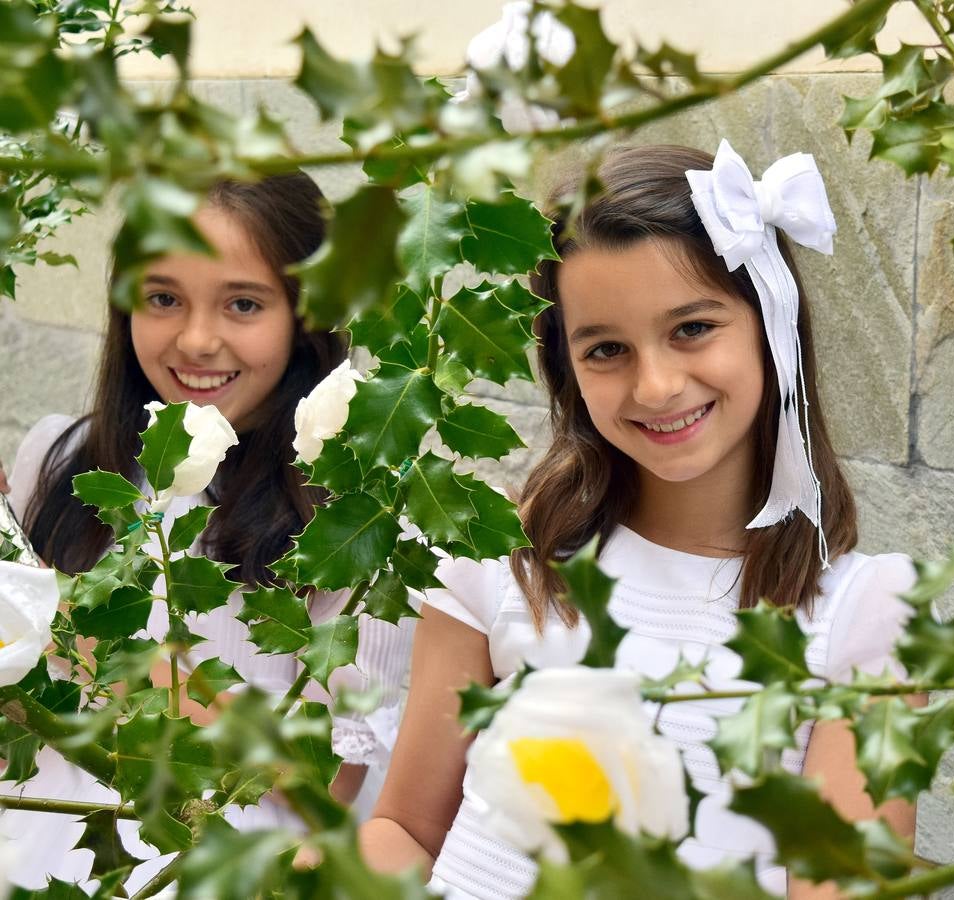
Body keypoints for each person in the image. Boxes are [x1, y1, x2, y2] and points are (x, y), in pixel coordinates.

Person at [358, 142, 920, 898]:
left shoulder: (865, 616)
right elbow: (405, 830)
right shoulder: (499, 559)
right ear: (566, 371)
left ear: (772, 328)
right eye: (606, 350)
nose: (655, 386)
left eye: (692, 328)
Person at [0, 172, 414, 891]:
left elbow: (321, 781)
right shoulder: (59, 458)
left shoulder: (350, 516)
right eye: (163, 298)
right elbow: (25, 707)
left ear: (306, 316)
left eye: (243, 304)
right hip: (34, 840)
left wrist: (69, 621)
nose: (196, 339)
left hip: (219, 865)